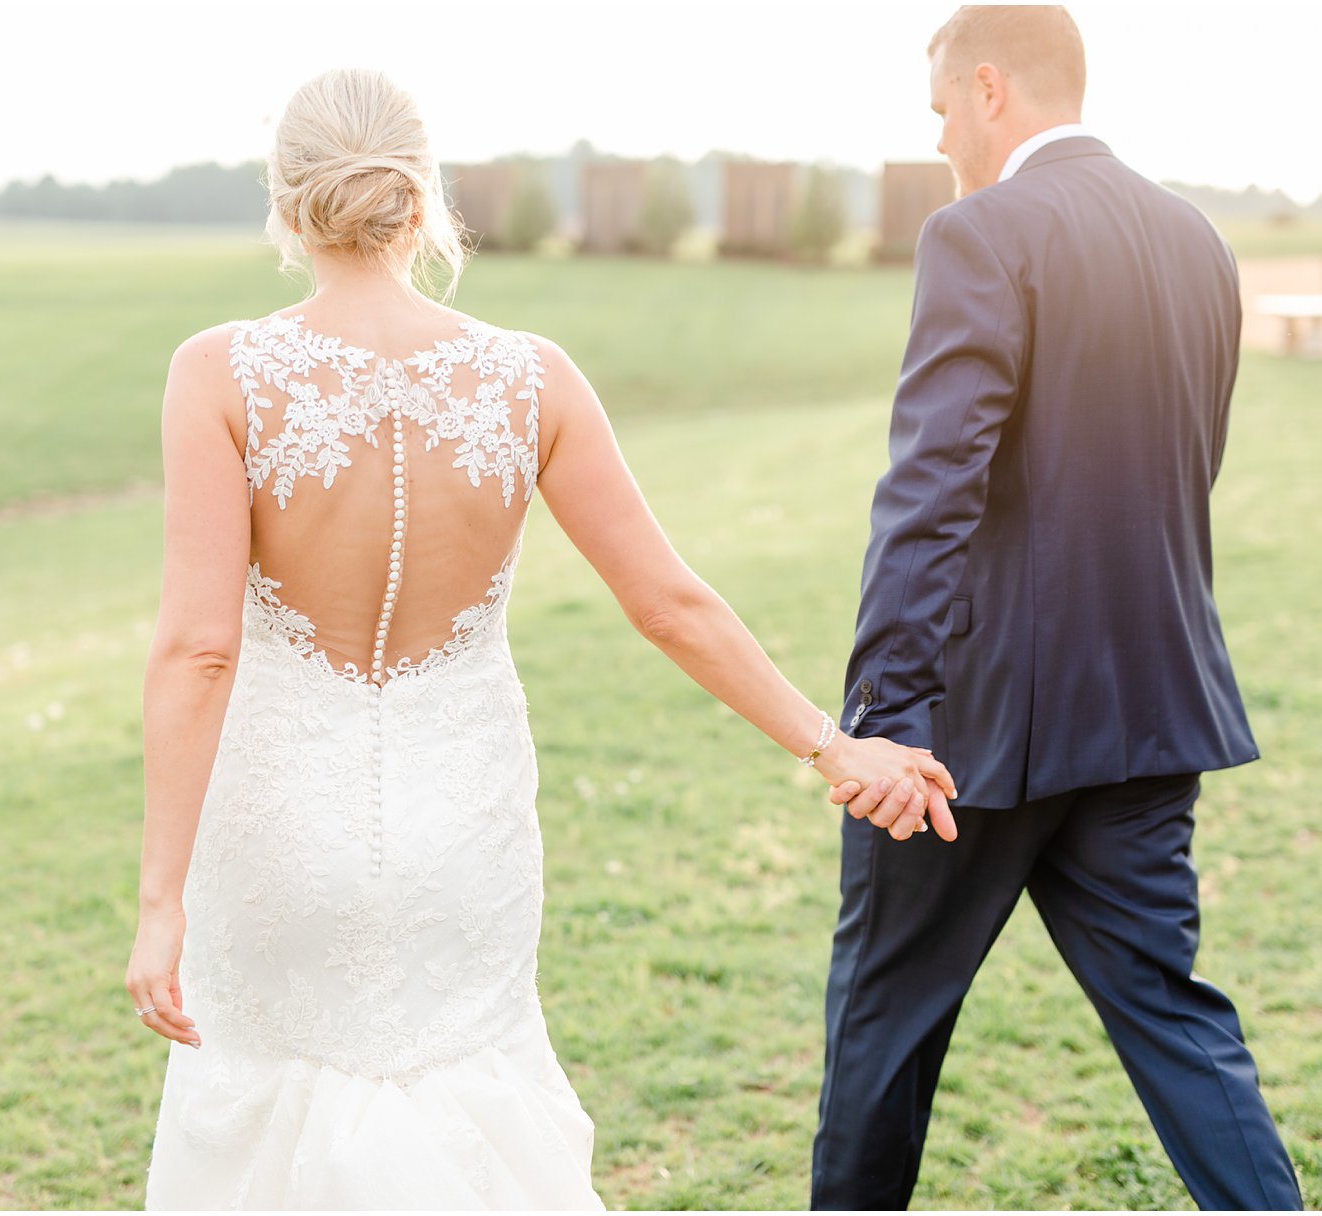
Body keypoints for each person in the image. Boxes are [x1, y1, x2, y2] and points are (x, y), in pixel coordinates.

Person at [128, 67, 954, 1210]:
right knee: (467, 1094)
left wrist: (160, 898)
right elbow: (671, 602)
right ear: (423, 201)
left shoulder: (218, 374)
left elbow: (198, 652)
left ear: (285, 199)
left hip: (279, 828)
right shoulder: (532, 378)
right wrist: (831, 744)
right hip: (463, 829)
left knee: (269, 1107)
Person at [811, 6, 1304, 1210]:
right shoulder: (1199, 242)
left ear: (990, 89)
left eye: (939, 112)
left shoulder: (980, 234)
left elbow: (933, 486)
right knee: (1177, 1021)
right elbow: (1186, 468)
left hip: (966, 736)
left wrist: (890, 713)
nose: (941, 142)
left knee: (884, 1028)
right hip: (1150, 710)